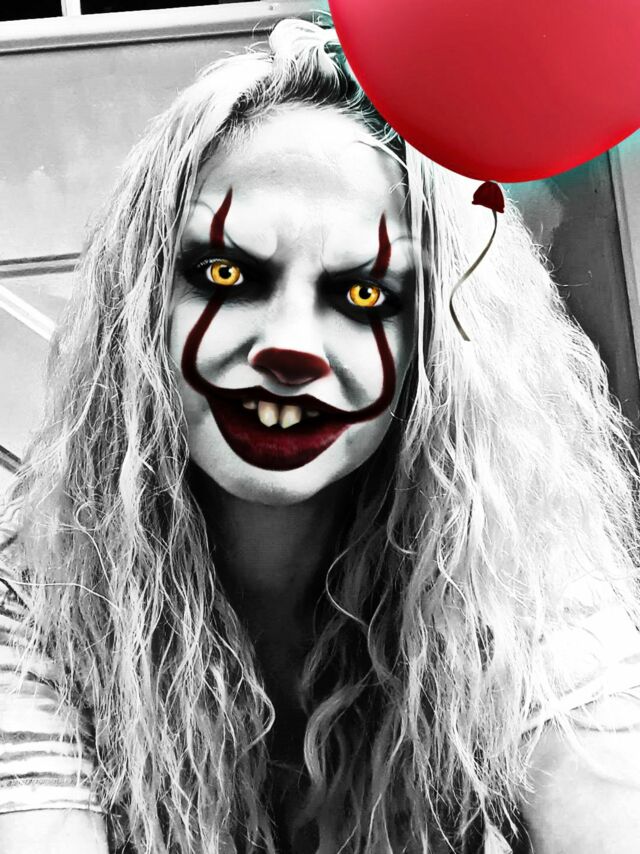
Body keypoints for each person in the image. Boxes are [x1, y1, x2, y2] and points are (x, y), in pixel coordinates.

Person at [1, 17, 640, 854]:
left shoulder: (514, 582)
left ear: (438, 347)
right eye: (227, 273)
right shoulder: (39, 603)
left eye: (364, 294)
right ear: (143, 307)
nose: (291, 347)